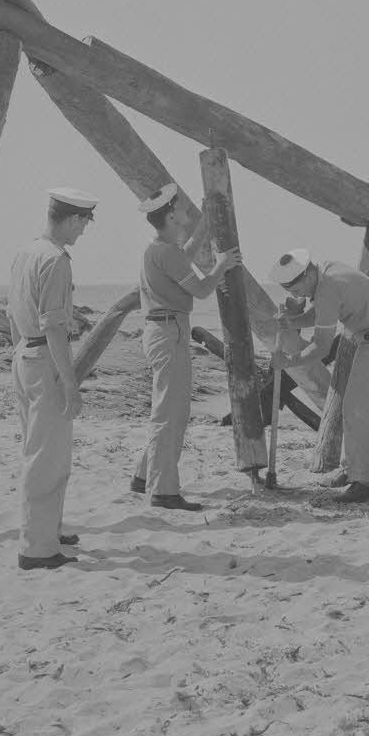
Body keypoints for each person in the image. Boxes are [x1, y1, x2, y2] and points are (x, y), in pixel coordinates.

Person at [132, 183, 242, 510]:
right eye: (181, 208)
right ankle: (163, 491)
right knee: (171, 414)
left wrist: (206, 220)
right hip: (170, 332)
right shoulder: (165, 252)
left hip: (162, 330)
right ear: (170, 215)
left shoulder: (162, 249)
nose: (186, 211)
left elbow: (185, 255)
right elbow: (202, 289)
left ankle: (144, 477)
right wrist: (222, 264)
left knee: (165, 410)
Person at [5, 187, 98, 571]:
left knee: (39, 449)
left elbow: (14, 314)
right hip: (44, 357)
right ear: (73, 219)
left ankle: (48, 531)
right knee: (48, 457)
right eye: (84, 224)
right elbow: (56, 328)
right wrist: (69, 382)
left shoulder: (26, 253)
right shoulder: (57, 261)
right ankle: (38, 549)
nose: (83, 232)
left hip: (24, 355)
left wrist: (22, 355)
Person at [269, 248, 369, 503]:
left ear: (308, 275)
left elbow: (320, 348)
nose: (296, 296)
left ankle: (367, 481)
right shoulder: (327, 270)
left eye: (297, 290)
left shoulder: (327, 290)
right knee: (351, 405)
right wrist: (292, 322)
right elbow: (320, 313)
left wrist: (287, 362)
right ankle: (351, 469)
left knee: (357, 407)